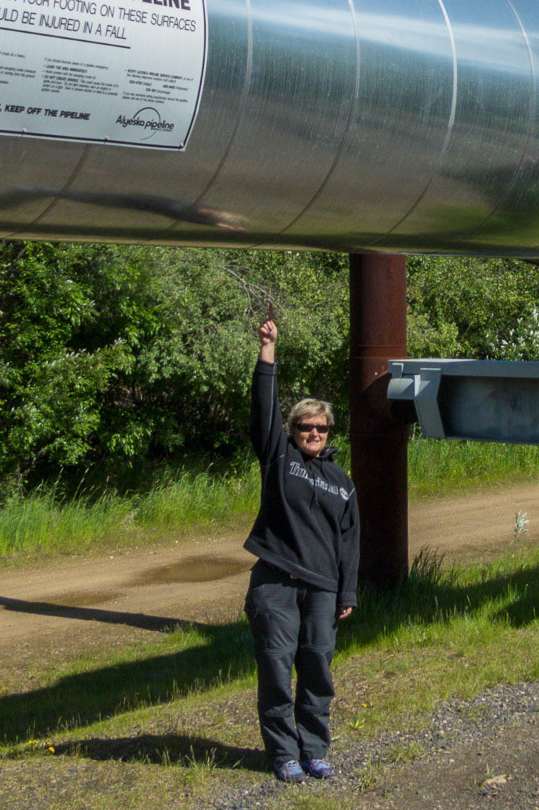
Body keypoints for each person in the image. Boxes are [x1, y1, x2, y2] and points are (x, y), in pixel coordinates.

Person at [243, 318, 359, 784]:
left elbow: (349, 540)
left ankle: (314, 750)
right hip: (275, 582)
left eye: (322, 428)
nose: (314, 434)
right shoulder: (279, 458)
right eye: (306, 427)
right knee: (275, 669)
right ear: (292, 430)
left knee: (317, 672)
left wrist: (347, 592)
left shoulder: (341, 482)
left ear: (330, 432)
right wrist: (267, 352)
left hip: (323, 590)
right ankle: (283, 754)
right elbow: (263, 411)